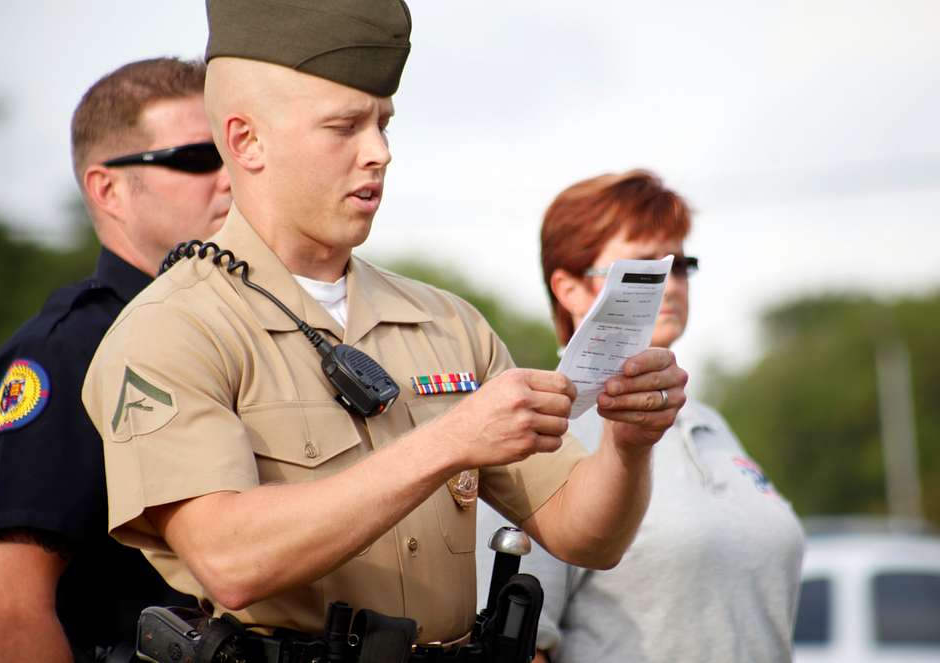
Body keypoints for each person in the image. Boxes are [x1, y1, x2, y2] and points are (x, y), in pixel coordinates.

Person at [80, 1, 688, 654]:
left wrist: (629, 444)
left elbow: (585, 534)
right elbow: (231, 561)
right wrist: (448, 441)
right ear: (246, 140)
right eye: (343, 126)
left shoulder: (448, 322)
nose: (379, 153)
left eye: (383, 123)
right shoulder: (171, 329)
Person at [0, 57, 232, 662]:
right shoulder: (66, 350)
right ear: (107, 189)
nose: (230, 178)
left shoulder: (235, 330)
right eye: (196, 158)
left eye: (235, 154)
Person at [476, 170, 806, 662]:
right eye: (643, 268)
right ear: (569, 288)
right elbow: (518, 641)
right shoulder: (542, 427)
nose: (670, 285)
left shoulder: (712, 423)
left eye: (680, 264)